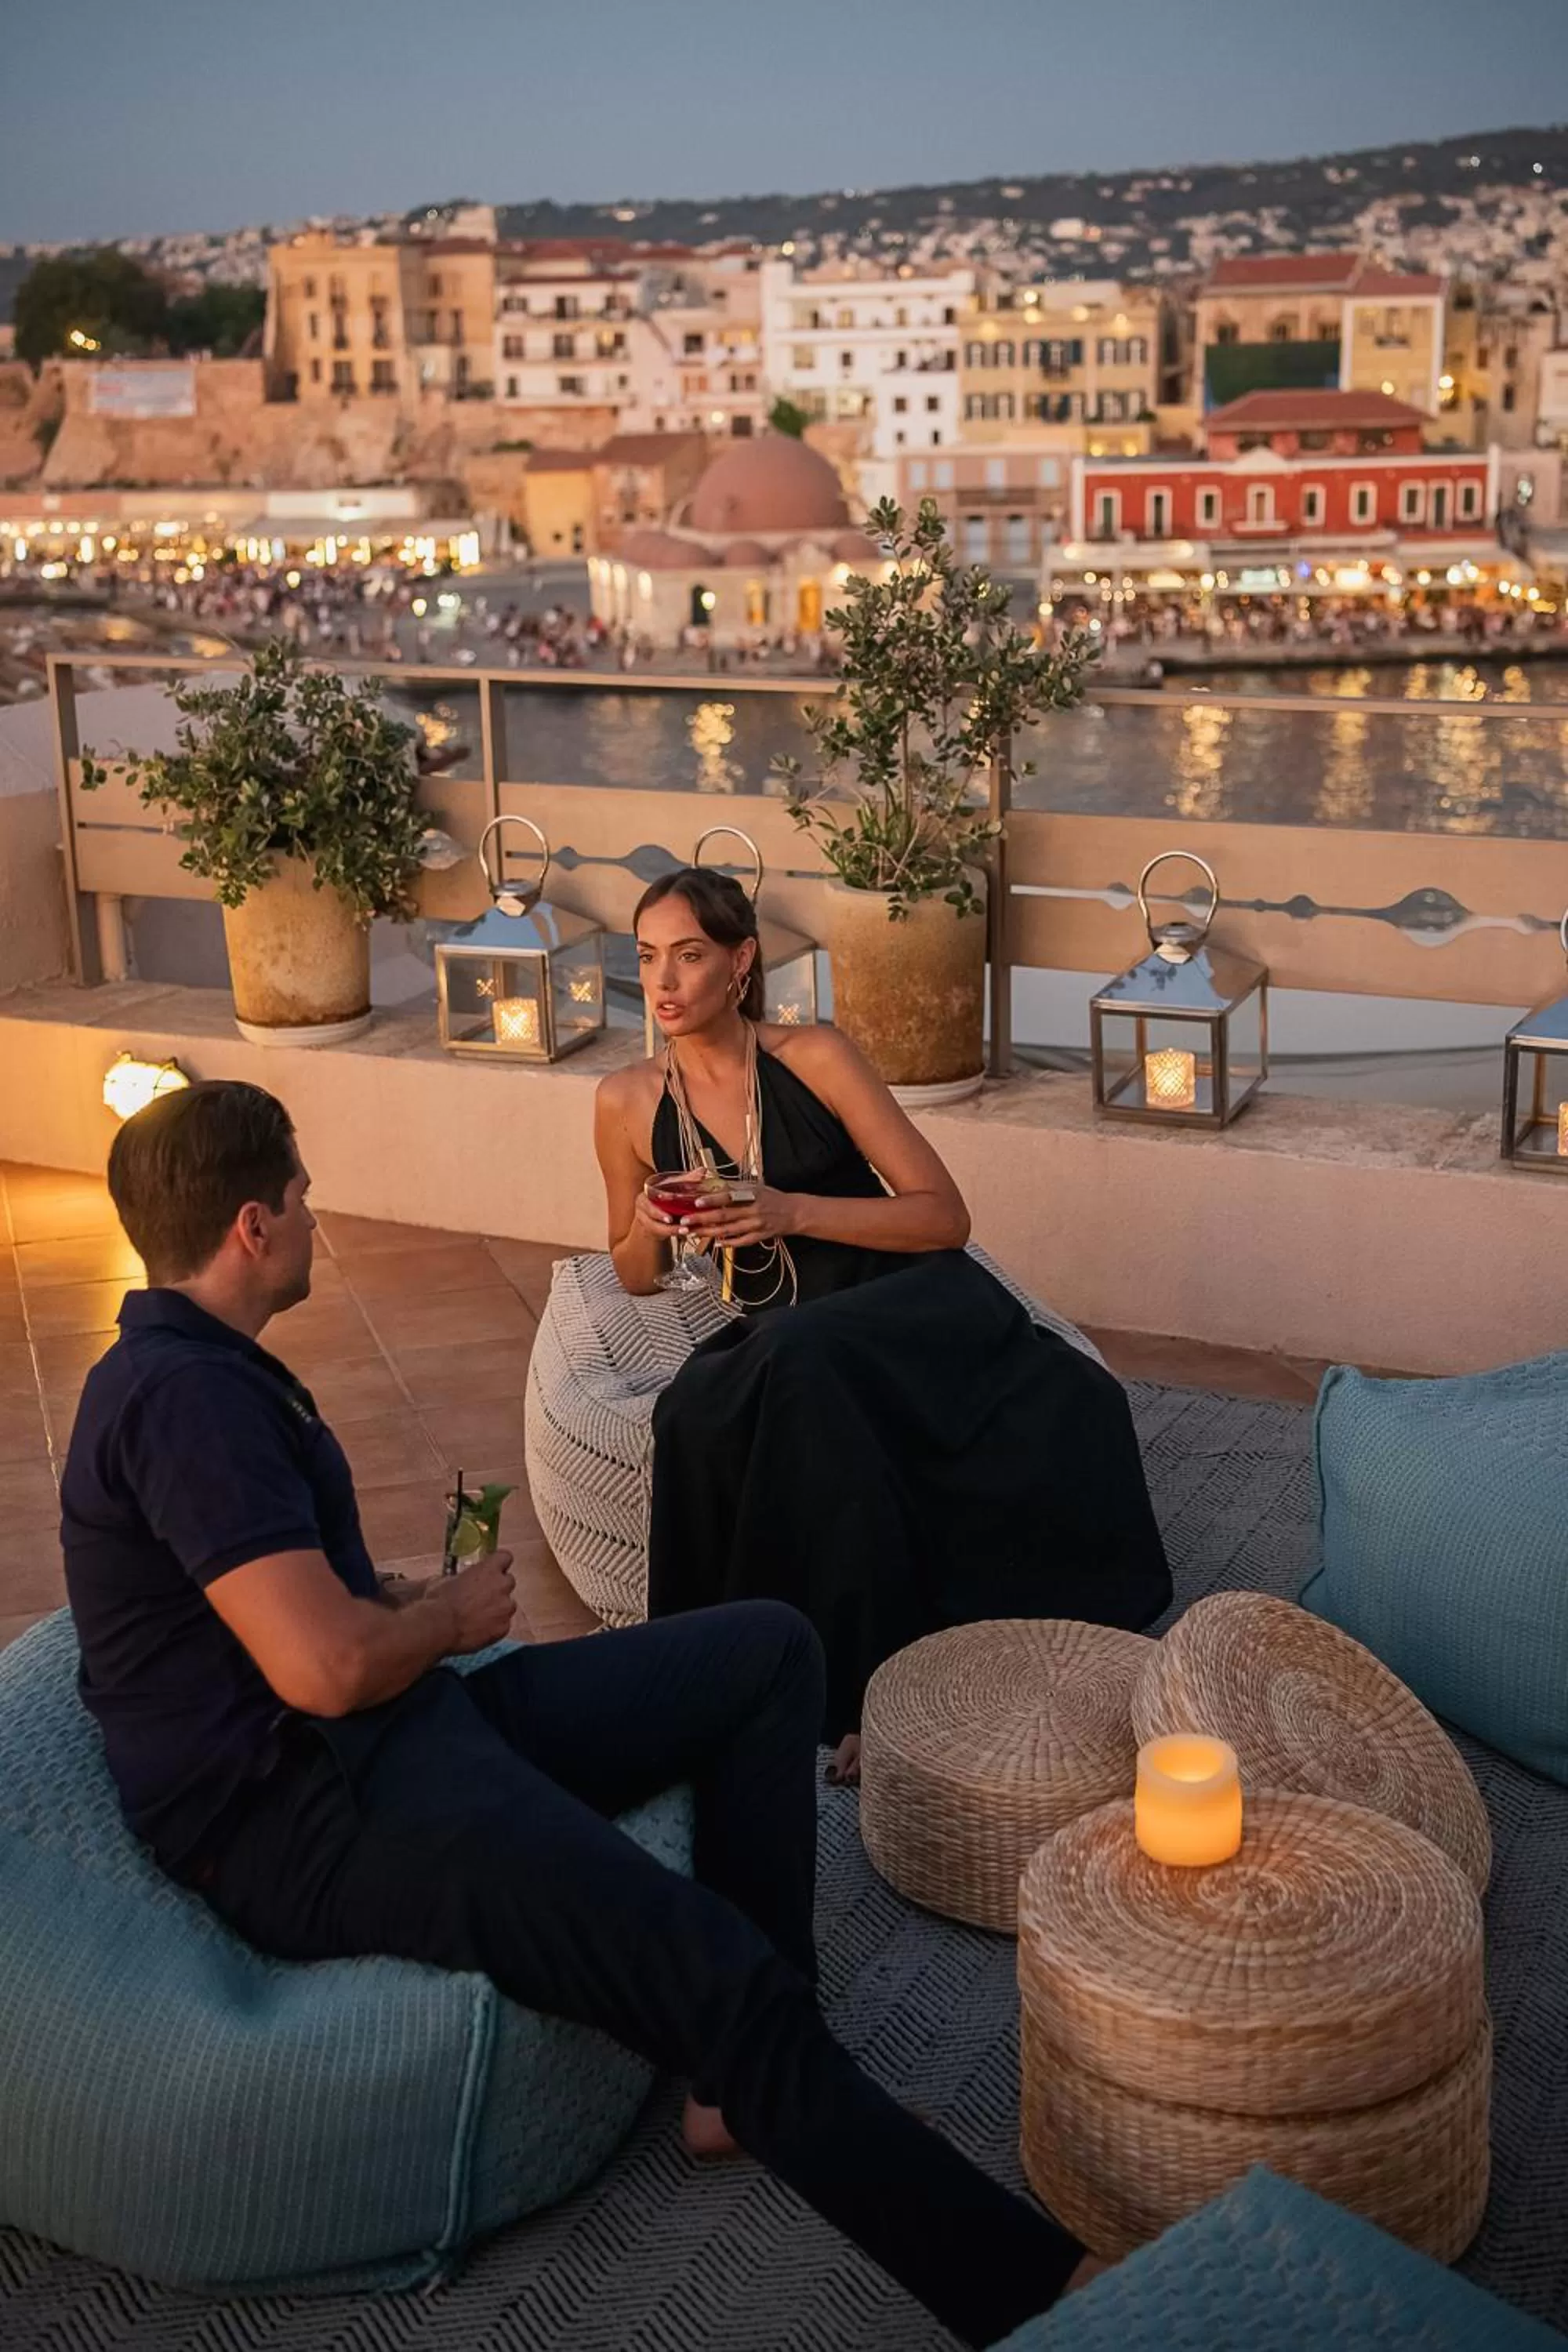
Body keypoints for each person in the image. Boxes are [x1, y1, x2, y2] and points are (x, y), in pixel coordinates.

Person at [60, 1080, 1102, 2347]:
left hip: (392, 1730)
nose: (315, 1217)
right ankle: (1043, 2296)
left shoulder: (206, 1375)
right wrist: (444, 1623)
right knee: (699, 1958)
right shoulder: (185, 1401)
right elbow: (325, 1672)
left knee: (767, 1655)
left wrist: (398, 1605)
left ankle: (740, 2086)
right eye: (304, 1195)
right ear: (251, 1226)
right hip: (314, 1808)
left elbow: (273, 1610)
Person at [595, 870, 1172, 1784]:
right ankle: (735, 1672)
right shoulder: (624, 1102)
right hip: (790, 1334)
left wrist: (790, 1210)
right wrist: (648, 1226)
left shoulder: (813, 1056)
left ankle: (880, 1688)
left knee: (840, 1369)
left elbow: (944, 1217)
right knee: (703, 1406)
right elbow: (633, 1274)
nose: (663, 981)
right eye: (646, 957)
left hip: (904, 1297)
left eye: (689, 955)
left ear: (741, 964)